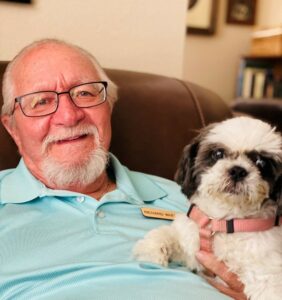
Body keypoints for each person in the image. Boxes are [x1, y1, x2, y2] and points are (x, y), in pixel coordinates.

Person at [0, 39, 246, 300]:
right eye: (41, 102)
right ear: (12, 129)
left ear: (109, 105)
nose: (69, 116)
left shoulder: (190, 198)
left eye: (84, 93)